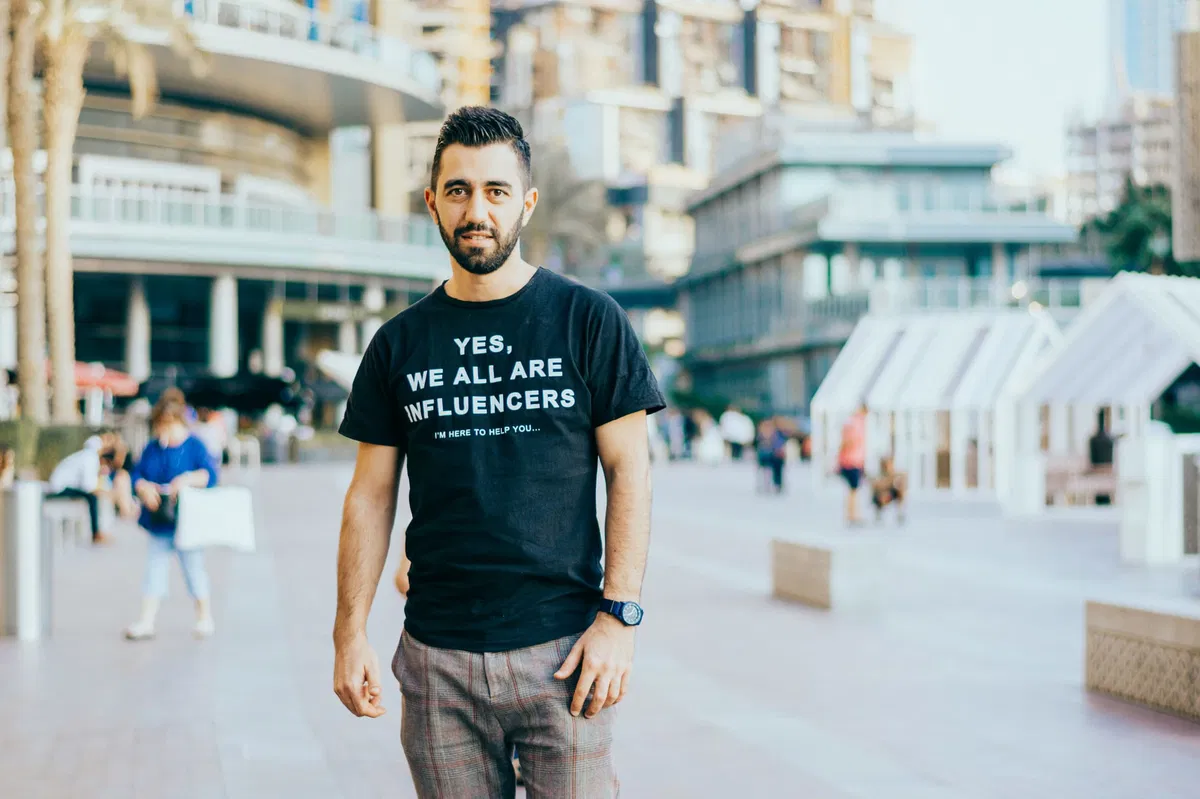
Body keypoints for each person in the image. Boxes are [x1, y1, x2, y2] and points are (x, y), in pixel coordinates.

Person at [332, 106, 665, 799]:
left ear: (526, 203)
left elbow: (630, 472)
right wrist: (349, 633)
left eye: (495, 191)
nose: (476, 210)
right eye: (458, 191)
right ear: (432, 203)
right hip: (437, 663)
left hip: (565, 655)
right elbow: (369, 494)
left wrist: (619, 618)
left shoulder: (588, 320)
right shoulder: (397, 344)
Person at [123, 398, 220, 641]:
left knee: (194, 570)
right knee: (154, 570)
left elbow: (210, 474)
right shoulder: (153, 448)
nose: (164, 430)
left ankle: (204, 616)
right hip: (159, 522)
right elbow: (137, 474)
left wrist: (187, 480)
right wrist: (144, 487)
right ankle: (147, 620)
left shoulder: (195, 446)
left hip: (188, 522)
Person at [46, 435, 112, 544]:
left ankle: (98, 532)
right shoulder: (90, 458)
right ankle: (96, 533)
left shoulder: (82, 456)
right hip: (60, 489)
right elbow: (88, 486)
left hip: (59, 487)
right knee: (93, 498)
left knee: (92, 497)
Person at [838, 403, 869, 525]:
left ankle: (852, 514)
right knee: (853, 490)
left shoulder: (851, 421)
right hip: (852, 460)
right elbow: (848, 441)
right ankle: (852, 515)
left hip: (852, 460)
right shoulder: (856, 423)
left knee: (853, 490)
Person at [870, 455, 907, 525]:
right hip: (879, 495)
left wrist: (893, 476)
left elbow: (904, 475)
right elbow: (876, 485)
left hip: (889, 494)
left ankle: (900, 512)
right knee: (883, 494)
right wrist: (889, 481)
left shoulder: (893, 473)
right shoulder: (878, 474)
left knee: (900, 490)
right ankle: (879, 513)